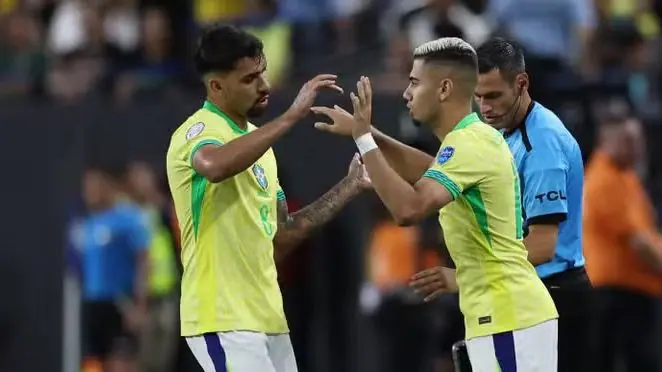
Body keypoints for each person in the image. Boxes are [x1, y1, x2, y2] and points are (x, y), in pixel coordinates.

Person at [313, 37, 558, 372]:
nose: (406, 93)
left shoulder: (469, 143)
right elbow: (429, 170)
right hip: (506, 314)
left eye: (414, 82)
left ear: (444, 88)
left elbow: (409, 210)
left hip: (509, 317)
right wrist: (370, 133)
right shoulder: (471, 140)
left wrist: (364, 139)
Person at [165, 24, 371, 372]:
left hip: (268, 317)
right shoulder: (197, 130)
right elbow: (214, 166)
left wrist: (350, 185)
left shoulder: (259, 145)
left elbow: (283, 234)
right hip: (223, 316)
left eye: (262, 73)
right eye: (249, 80)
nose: (264, 86)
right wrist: (291, 116)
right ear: (216, 86)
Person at [472, 37, 592, 372]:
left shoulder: (541, 146)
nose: (485, 107)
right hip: (524, 294)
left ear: (521, 83)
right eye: (478, 96)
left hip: (554, 296)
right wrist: (371, 140)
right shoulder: (502, 130)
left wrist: (472, 275)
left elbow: (541, 246)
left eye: (493, 95)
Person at [583, 108, 662, 372]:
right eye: (628, 140)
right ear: (606, 141)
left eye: (638, 140)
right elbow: (640, 243)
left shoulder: (626, 177)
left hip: (636, 290)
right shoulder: (604, 179)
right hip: (618, 292)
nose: (637, 148)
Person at [73, 165, 150, 372]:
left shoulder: (128, 219)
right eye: (86, 188)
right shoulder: (87, 224)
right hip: (93, 302)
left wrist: (139, 305)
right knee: (93, 361)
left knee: (121, 361)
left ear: (107, 187)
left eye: (94, 186)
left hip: (120, 303)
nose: (89, 193)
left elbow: (144, 262)